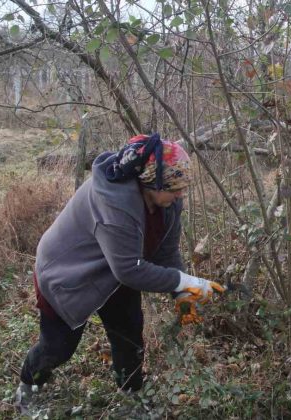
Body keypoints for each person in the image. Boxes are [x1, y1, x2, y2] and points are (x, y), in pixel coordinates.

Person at [15, 133, 224, 413]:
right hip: (67, 273)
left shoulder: (169, 203)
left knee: (129, 336)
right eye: (175, 187)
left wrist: (183, 293)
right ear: (153, 181)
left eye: (182, 187)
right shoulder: (115, 203)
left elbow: (166, 252)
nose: (180, 194)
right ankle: (28, 386)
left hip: (117, 269)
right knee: (59, 347)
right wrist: (185, 281)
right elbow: (128, 270)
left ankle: (131, 395)